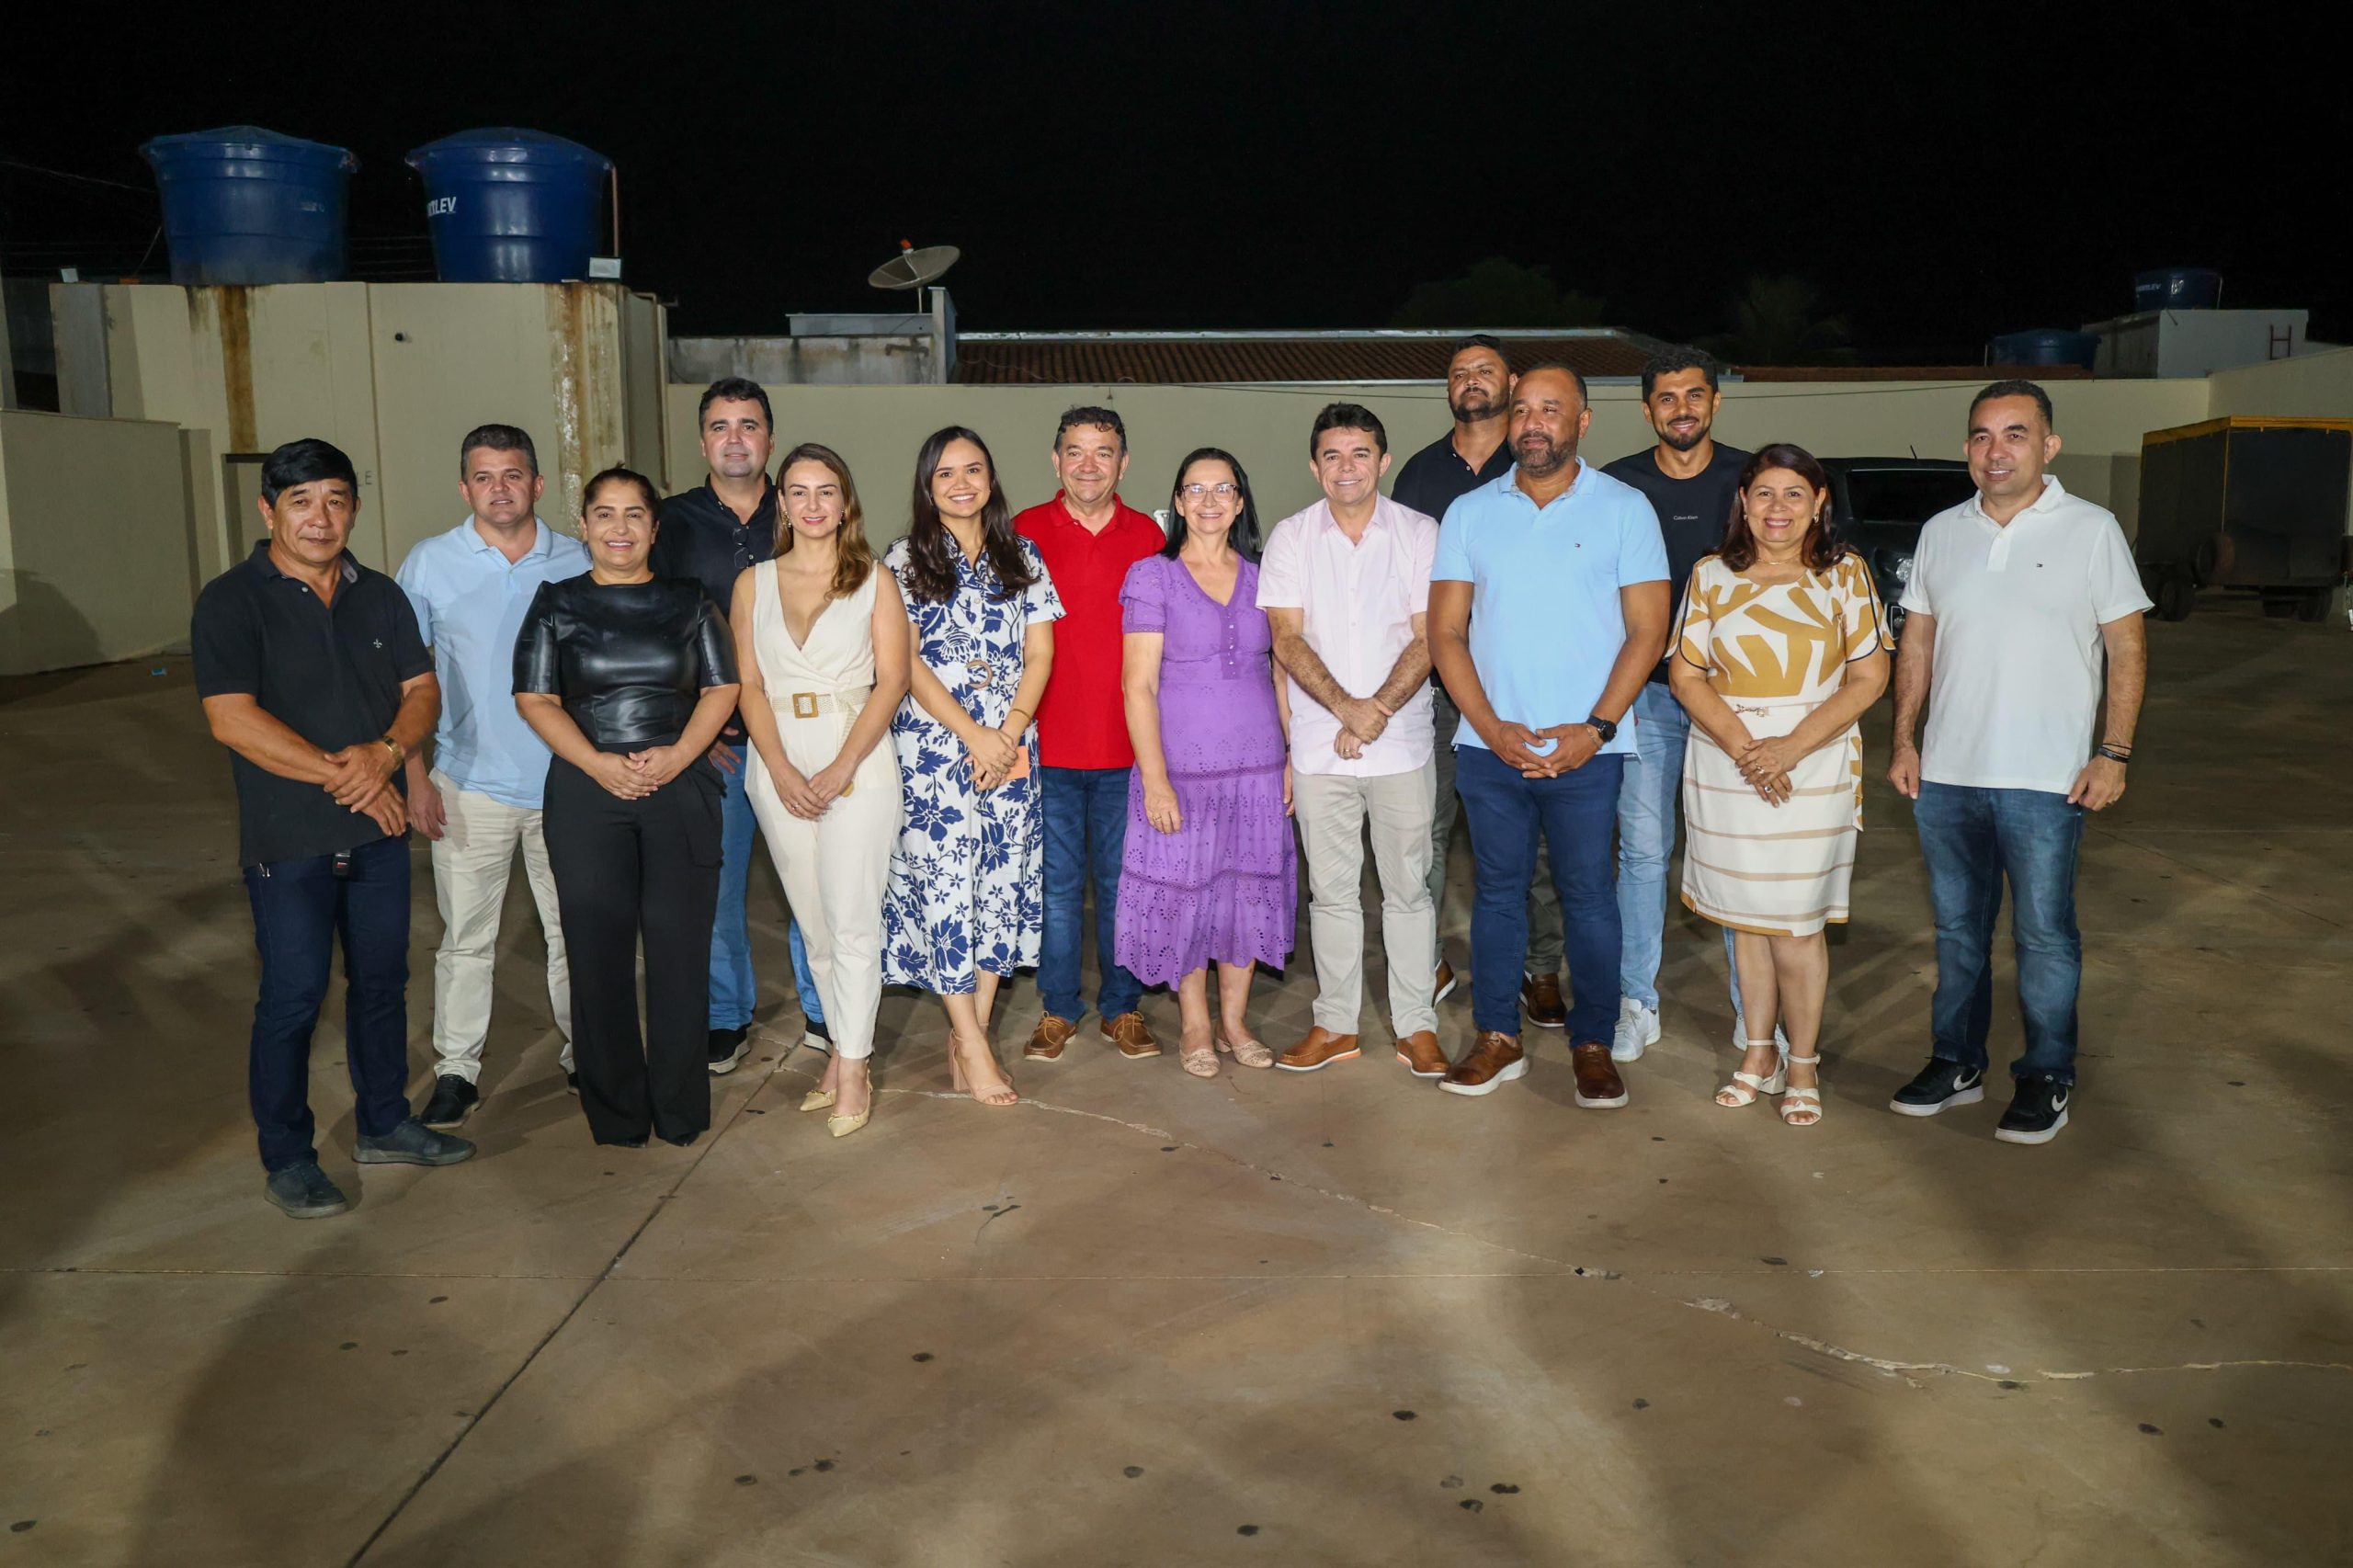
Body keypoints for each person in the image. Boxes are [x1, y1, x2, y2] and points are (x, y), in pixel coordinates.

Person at [192, 437, 473, 1218]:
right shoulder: (230, 601)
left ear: (354, 508)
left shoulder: (378, 594)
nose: (321, 518)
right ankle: (287, 1155)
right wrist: (348, 777)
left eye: (337, 501)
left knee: (382, 984)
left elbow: (421, 692)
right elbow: (231, 719)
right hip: (289, 838)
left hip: (378, 832)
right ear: (268, 510)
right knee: (293, 996)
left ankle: (384, 1122)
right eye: (301, 502)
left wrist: (383, 754)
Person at [1886, 380, 2150, 1145]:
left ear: (2049, 445)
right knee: (1957, 933)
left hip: (2047, 780)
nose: (1994, 450)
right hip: (1948, 776)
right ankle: (1956, 1061)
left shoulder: (2092, 529)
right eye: (1981, 435)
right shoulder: (1942, 531)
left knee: (2044, 937)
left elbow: (2127, 646)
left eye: (2014, 433)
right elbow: (1918, 642)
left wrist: (2114, 752)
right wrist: (1905, 739)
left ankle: (2046, 1074)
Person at [1427, 366, 1670, 1103]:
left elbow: (1648, 631)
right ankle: (1497, 1037)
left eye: (1551, 409)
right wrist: (1490, 727)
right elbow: (1445, 633)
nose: (1533, 423)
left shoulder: (1625, 508)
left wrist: (1595, 730)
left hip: (1588, 751)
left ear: (1582, 422)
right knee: (1497, 895)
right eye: (1523, 410)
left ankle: (1593, 1041)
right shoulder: (1469, 513)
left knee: (1589, 895)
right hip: (1490, 750)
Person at [516, 468, 741, 1148]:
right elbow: (535, 698)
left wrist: (680, 755)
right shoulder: (556, 603)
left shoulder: (690, 599)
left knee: (679, 954)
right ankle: (615, 1112)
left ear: (654, 527)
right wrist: (597, 762)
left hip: (680, 787)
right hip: (588, 793)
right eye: (605, 514)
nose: (620, 528)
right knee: (596, 956)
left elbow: (722, 688)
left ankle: (679, 1108)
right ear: (584, 525)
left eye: (634, 514)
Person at [1671, 445, 1893, 1125]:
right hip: (1728, 764)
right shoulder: (1711, 574)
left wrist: (1790, 749)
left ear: (1819, 503)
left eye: (1794, 493)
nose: (1778, 508)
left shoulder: (1845, 575)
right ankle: (1758, 1053)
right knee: (1747, 924)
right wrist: (1749, 752)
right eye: (1764, 493)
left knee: (1796, 928)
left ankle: (1803, 1063)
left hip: (1813, 766)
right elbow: (1686, 674)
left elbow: (1870, 675)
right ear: (1743, 502)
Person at [394, 425, 589, 1128]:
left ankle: (587, 1054)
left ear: (537, 484)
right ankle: (457, 1071)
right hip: (468, 785)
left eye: (512, 475)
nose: (499, 488)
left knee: (574, 933)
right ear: (464, 487)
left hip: (568, 785)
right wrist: (415, 776)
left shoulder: (577, 559)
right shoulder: (429, 563)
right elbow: (403, 681)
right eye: (484, 476)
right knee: (467, 940)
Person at [732, 445, 911, 1139]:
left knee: (853, 918)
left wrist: (842, 766)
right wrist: (778, 767)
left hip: (855, 753)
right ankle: (840, 1050)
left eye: (826, 491)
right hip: (777, 757)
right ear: (781, 503)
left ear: (845, 503)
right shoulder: (753, 583)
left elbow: (892, 682)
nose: (812, 504)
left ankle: (856, 1066)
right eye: (799, 491)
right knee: (815, 925)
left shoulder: (874, 580)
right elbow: (749, 684)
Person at [881, 427, 1063, 1108]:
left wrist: (1006, 735)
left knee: (999, 887)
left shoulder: (1024, 555)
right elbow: (904, 661)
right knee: (945, 893)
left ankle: (972, 1035)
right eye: (946, 473)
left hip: (1011, 749)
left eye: (974, 469)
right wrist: (973, 736)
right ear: (927, 487)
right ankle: (973, 1043)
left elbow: (1040, 654)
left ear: (991, 478)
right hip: (934, 753)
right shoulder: (902, 559)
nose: (962, 483)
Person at [1260, 404, 1443, 1077]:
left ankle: (1416, 1025)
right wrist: (1346, 709)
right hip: (1320, 745)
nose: (1347, 467)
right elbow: (1286, 638)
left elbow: (1431, 634)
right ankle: (1336, 1024)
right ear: (1315, 467)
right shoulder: (1290, 537)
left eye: (1360, 453)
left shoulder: (1420, 532)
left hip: (1403, 744)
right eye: (1332, 455)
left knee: (1409, 892)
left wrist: (1378, 710)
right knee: (1331, 895)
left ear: (1383, 461)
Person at [652, 378, 829, 1070]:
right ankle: (725, 1015)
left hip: (800, 737)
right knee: (715, 888)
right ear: (702, 442)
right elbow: (654, 632)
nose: (735, 438)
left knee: (812, 883)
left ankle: (825, 1007)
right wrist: (686, 734)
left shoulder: (803, 509)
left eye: (748, 425)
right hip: (715, 745)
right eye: (720, 426)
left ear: (770, 440)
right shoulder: (669, 523)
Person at [1391, 335, 1567, 1028]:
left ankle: (1540, 967)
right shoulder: (1419, 473)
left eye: (1484, 371)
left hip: (1521, 688)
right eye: (1459, 373)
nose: (1470, 381)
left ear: (1512, 383)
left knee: (1534, 844)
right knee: (1426, 834)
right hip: (1436, 691)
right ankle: (1426, 960)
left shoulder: (1537, 463)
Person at [1600, 349, 1768, 1063]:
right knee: (1642, 853)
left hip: (1733, 704)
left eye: (1694, 395)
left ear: (1715, 402)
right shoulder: (1617, 486)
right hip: (1646, 698)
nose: (1681, 410)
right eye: (1667, 398)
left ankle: (1753, 1014)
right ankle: (1636, 1002)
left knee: (1730, 854)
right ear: (1647, 410)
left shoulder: (1751, 480)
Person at [1115, 450, 1295, 1077]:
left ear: (1240, 502)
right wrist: (1155, 779)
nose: (1210, 500)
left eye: (1223, 489)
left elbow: (1281, 674)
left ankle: (1234, 1021)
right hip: (1181, 773)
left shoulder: (1266, 576)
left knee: (1247, 894)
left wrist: (1292, 757)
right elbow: (1137, 685)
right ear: (1179, 501)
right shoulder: (1152, 576)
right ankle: (1194, 1023)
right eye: (1196, 489)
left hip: (1258, 768)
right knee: (1187, 897)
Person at [1014, 407, 1165, 1063]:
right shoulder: (1021, 532)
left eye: (1103, 452)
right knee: (1055, 888)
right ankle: (1058, 1008)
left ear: (1123, 464)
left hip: (1127, 750)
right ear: (1056, 461)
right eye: (1075, 451)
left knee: (1123, 885)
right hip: (1044, 747)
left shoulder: (1150, 538)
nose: (1088, 465)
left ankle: (1122, 1007)